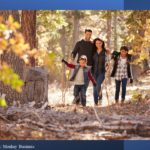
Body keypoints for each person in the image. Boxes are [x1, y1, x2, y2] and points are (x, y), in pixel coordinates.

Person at [71, 29, 94, 104]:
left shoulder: (92, 44)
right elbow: (73, 52)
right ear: (85, 34)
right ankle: (76, 97)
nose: (89, 36)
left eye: (90, 34)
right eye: (87, 34)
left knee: (85, 83)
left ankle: (81, 99)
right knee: (78, 82)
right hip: (79, 66)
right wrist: (72, 59)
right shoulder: (79, 43)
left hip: (89, 66)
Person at [92, 38, 110, 106]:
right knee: (94, 87)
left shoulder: (105, 52)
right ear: (95, 44)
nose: (98, 44)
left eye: (99, 43)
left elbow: (108, 61)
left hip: (102, 72)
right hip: (93, 72)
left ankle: (100, 98)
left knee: (98, 84)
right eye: (96, 43)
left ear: (102, 43)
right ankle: (96, 103)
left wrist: (107, 66)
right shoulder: (93, 51)